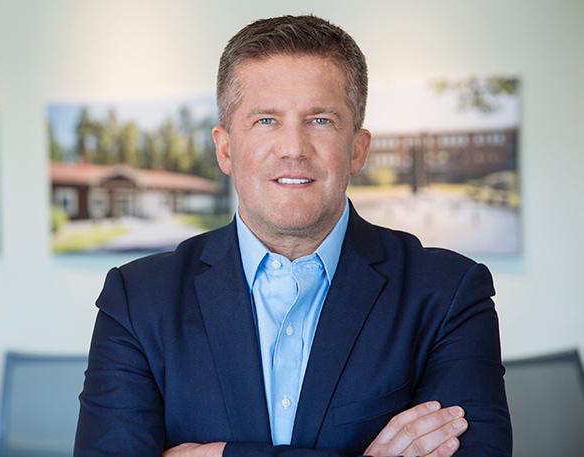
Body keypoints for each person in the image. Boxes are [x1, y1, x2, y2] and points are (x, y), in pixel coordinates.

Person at [74, 15, 511, 457]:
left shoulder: (447, 293)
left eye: (320, 120)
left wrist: (222, 455)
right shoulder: (137, 299)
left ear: (358, 149)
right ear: (225, 148)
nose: (293, 148)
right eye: (266, 120)